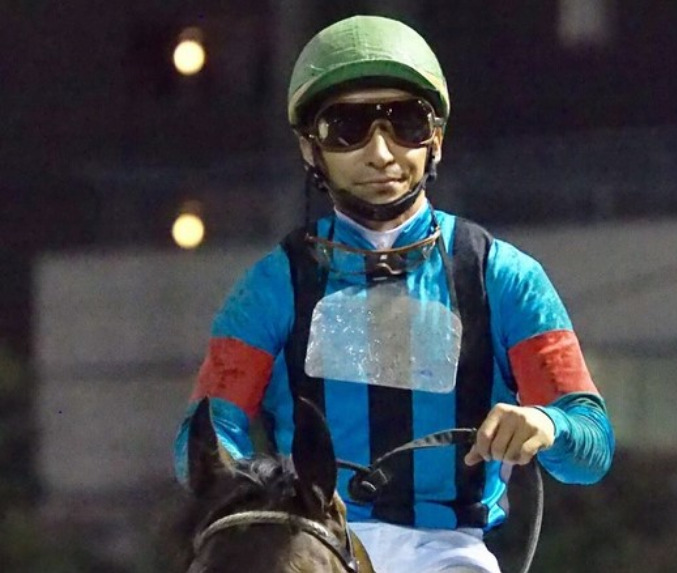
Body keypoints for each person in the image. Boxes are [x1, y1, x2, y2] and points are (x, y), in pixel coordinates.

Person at [174, 14, 615, 573]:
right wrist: (251, 485)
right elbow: (203, 436)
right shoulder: (271, 286)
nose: (381, 154)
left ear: (436, 139)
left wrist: (546, 425)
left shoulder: (504, 277)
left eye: (405, 123)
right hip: (309, 544)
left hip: (448, 552)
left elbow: (591, 442)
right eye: (347, 128)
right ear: (310, 149)